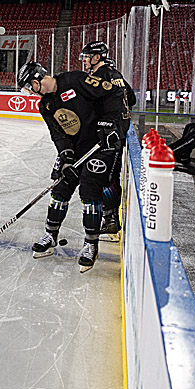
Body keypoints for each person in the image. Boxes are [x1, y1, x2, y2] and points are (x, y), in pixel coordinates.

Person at [19, 60, 131, 272]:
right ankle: (50, 236)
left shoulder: (75, 79)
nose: (30, 92)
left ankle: (91, 243)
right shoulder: (45, 105)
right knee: (60, 186)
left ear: (36, 80)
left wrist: (112, 125)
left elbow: (113, 92)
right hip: (78, 148)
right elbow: (58, 134)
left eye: (28, 87)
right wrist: (66, 155)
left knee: (90, 188)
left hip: (103, 144)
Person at [79, 42, 136, 241]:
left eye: (87, 56)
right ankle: (110, 219)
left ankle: (111, 221)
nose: (85, 60)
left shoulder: (98, 76)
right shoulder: (116, 74)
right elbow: (132, 99)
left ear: (97, 57)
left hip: (108, 134)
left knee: (105, 176)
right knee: (110, 175)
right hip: (117, 131)